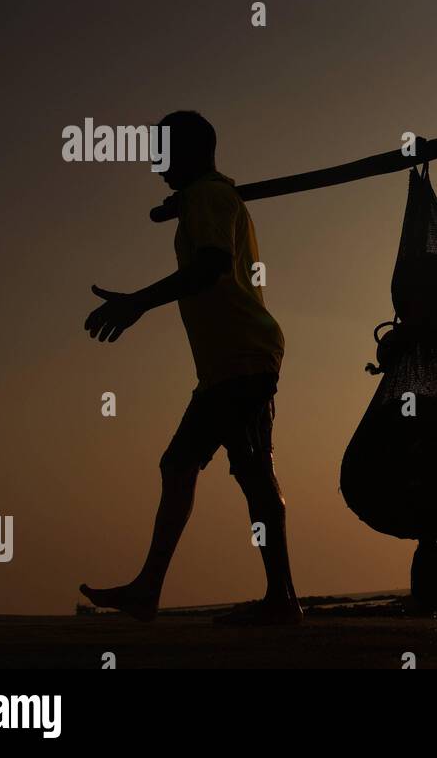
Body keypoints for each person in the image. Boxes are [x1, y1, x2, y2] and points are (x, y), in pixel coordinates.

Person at [79, 110, 302, 626]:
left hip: (245, 356)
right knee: (180, 464)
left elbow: (210, 268)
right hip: (223, 366)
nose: (156, 166)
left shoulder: (208, 196)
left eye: (163, 154)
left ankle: (282, 598)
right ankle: (149, 589)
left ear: (188, 153)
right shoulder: (205, 198)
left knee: (253, 471)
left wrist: (135, 302)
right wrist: (183, 205)